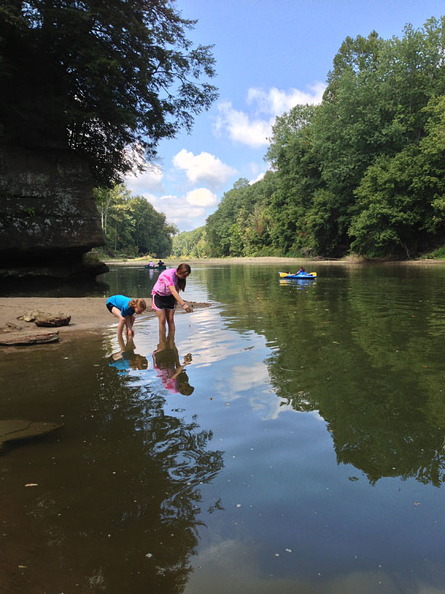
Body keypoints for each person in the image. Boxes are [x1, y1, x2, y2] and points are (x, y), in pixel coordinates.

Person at [151, 263, 192, 339]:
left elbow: (176, 290)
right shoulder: (168, 275)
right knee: (162, 320)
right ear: (179, 271)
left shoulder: (178, 277)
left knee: (170, 320)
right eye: (184, 276)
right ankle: (162, 341)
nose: (184, 278)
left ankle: (171, 341)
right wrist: (183, 304)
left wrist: (176, 301)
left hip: (170, 297)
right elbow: (173, 291)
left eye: (186, 277)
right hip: (158, 296)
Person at [152, 331, 194, 395]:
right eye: (188, 385)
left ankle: (161, 326)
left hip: (160, 365)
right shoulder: (185, 380)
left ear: (181, 389)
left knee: (163, 343)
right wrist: (175, 351)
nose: (186, 384)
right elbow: (177, 365)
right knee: (171, 340)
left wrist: (185, 364)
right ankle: (170, 325)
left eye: (185, 386)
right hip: (170, 363)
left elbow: (175, 375)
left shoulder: (173, 389)